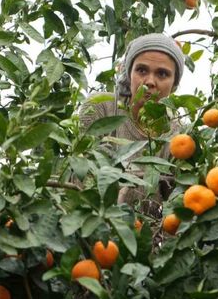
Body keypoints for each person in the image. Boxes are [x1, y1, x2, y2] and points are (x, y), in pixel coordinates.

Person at [79, 33, 186, 213]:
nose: (150, 82)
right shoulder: (101, 108)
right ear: (129, 74)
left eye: (162, 73)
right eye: (142, 70)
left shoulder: (178, 136)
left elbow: (174, 208)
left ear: (174, 85)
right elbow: (81, 176)